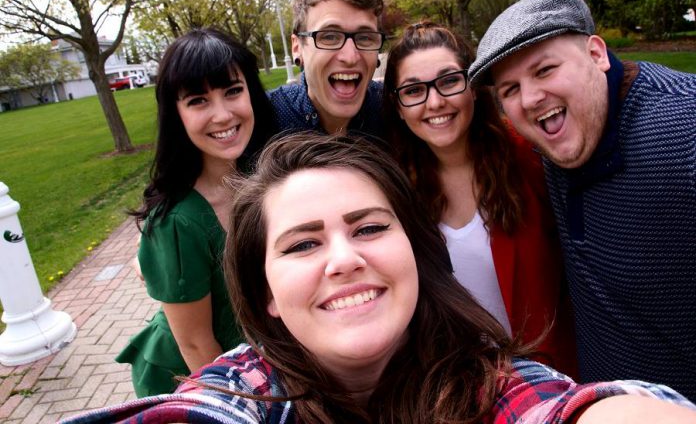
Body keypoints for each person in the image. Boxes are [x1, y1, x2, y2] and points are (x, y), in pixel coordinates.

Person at [63, 134, 696, 423]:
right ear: (265, 296)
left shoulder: (498, 384)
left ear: (417, 253)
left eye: (369, 228)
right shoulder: (236, 393)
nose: (343, 259)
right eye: (303, 243)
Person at [469, 0, 696, 401]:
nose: (531, 98)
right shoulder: (554, 144)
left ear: (596, 54)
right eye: (510, 89)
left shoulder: (684, 130)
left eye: (544, 70)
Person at [382, 21, 576, 376]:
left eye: (449, 81)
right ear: (397, 105)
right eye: (413, 91)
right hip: (456, 386)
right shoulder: (395, 191)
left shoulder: (531, 156)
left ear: (473, 88)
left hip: (549, 378)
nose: (435, 102)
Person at [115, 28, 277, 397]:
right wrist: (251, 407)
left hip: (256, 360)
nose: (223, 114)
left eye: (233, 91)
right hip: (199, 380)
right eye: (199, 100)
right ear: (176, 114)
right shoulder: (176, 223)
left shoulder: (259, 179)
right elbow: (196, 347)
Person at [268, 0, 385, 137]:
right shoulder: (264, 118)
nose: (350, 57)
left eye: (365, 38)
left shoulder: (392, 110)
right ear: (297, 47)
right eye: (330, 37)